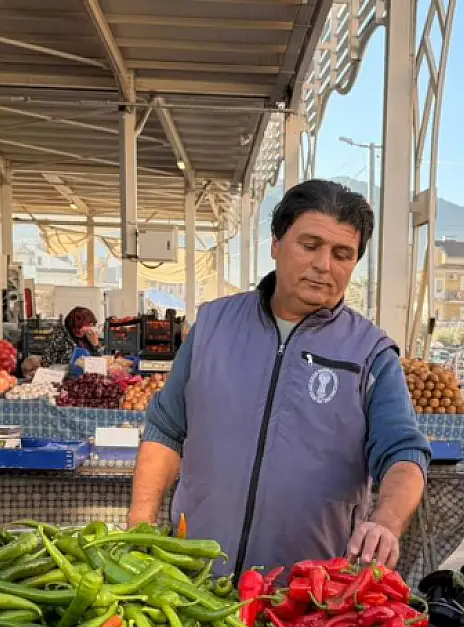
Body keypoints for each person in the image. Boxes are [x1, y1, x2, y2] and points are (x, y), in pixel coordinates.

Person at [129, 179, 430, 573]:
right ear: (276, 244)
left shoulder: (370, 353)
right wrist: (139, 526)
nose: (324, 265)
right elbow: (166, 430)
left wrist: (386, 523)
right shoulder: (213, 326)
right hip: (195, 580)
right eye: (310, 246)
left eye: (342, 254)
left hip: (305, 600)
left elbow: (404, 454)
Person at [40, 307, 103, 376]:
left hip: (88, 377)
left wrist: (96, 344)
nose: (90, 328)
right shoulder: (60, 334)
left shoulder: (89, 336)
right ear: (77, 323)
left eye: (92, 325)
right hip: (65, 377)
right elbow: (46, 361)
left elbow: (99, 361)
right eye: (87, 324)